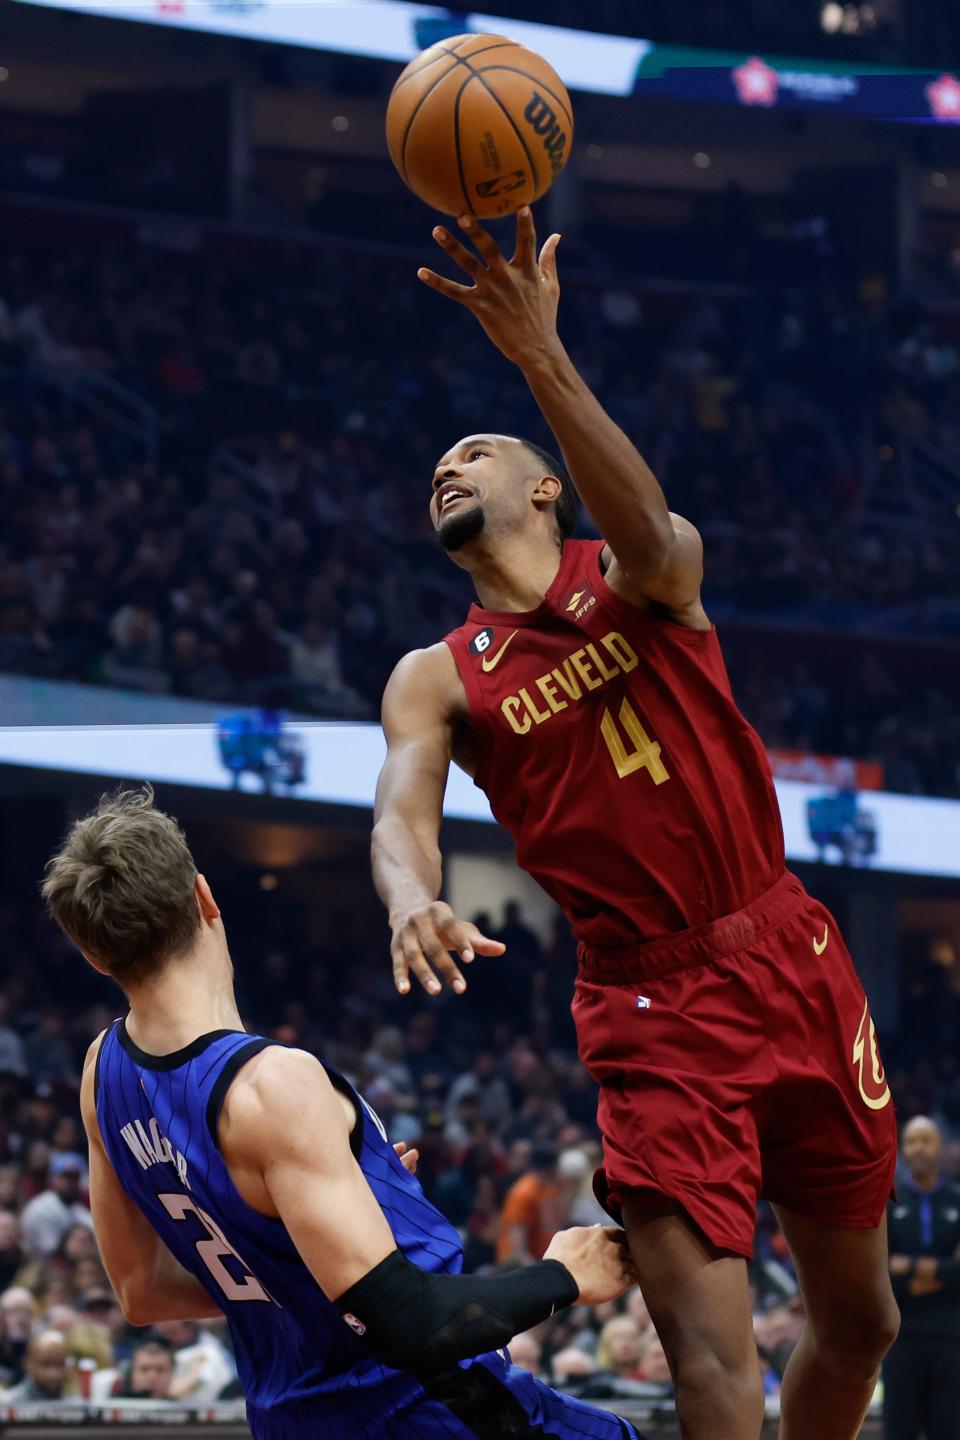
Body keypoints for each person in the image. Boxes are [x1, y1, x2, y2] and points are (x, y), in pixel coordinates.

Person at [372, 206, 901, 1440]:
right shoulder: (437, 674)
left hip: (791, 955)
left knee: (863, 1321)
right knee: (711, 1373)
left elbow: (653, 530)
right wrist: (412, 895)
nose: (447, 469)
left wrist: (537, 359)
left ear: (545, 485)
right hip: (652, 1008)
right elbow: (403, 808)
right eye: (433, 469)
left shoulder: (644, 575)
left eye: (474, 451)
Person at [43, 786, 643, 1439]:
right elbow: (406, 1322)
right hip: (423, 1410)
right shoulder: (273, 1085)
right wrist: (564, 1276)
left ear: (93, 955)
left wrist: (324, 1237)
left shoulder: (102, 1072)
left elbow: (144, 1291)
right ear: (205, 898)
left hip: (288, 1421)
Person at [884, 1116, 960, 1440]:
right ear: (903, 1148)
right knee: (899, 1432)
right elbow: (883, 1274)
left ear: (940, 1147)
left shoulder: (958, 1200)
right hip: (901, 1340)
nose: (919, 1148)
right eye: (912, 1141)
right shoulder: (888, 1204)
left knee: (949, 1430)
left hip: (952, 1339)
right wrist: (944, 1271)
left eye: (926, 1140)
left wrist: (910, 1266)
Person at [19, 1153, 93, 1259]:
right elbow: (51, 1251)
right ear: (51, 1179)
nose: (70, 1182)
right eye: (65, 1177)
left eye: (74, 1178)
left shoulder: (78, 1209)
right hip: (41, 1266)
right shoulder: (40, 1208)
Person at [1, 1329, 69, 1403]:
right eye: (45, 1365)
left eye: (60, 1364)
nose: (53, 1374)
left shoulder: (77, 1405)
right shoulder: (8, 1405)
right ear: (28, 1364)